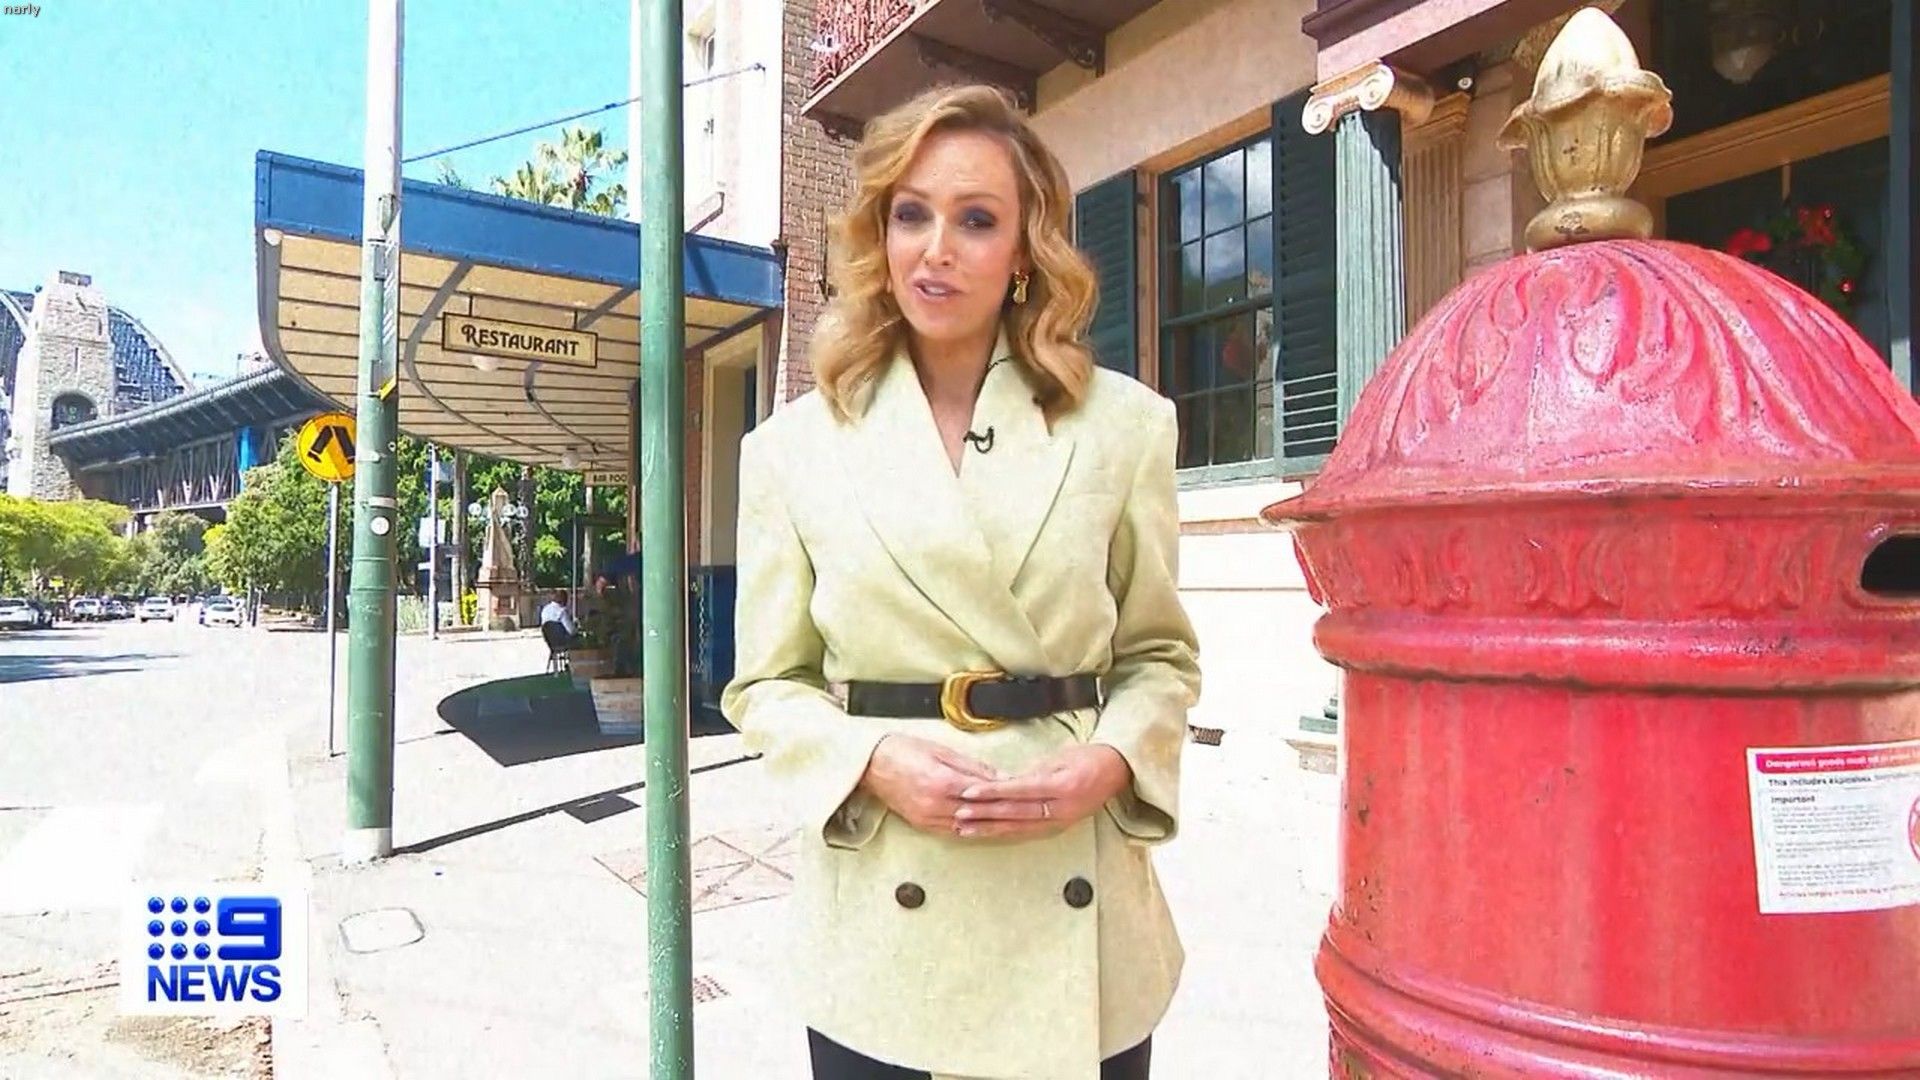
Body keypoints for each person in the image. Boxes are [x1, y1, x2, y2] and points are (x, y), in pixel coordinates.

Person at [721, 84, 1201, 1080]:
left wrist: (1110, 763)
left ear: (1025, 250)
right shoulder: (790, 452)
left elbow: (1158, 657)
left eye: (976, 219)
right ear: (881, 237)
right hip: (882, 923)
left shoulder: (1124, 428)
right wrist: (870, 761)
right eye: (912, 214)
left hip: (1077, 905)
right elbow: (766, 687)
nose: (937, 248)